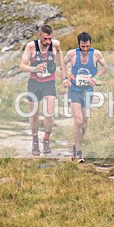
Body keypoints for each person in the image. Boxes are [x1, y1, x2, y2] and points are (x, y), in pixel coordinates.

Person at [19, 24, 66, 156]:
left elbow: (60, 57)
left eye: (50, 38)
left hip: (49, 82)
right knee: (34, 113)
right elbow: (22, 66)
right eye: (45, 39)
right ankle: (35, 141)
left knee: (49, 113)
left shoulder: (55, 45)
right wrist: (35, 69)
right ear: (39, 36)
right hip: (34, 82)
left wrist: (64, 75)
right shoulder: (31, 46)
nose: (47, 42)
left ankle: (46, 140)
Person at [63, 32, 107, 163]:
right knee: (78, 121)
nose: (85, 49)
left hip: (88, 91)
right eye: (83, 46)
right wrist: (65, 78)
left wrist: (96, 77)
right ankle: (79, 152)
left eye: (87, 46)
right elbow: (62, 64)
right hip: (74, 90)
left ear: (90, 44)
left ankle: (76, 144)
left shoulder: (96, 54)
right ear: (79, 45)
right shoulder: (72, 54)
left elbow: (105, 66)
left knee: (85, 123)